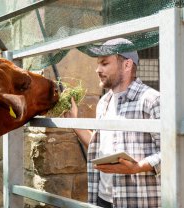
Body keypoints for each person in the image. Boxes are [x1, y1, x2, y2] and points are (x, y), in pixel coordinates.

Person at [65, 38, 161, 207]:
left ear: (127, 65)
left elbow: (171, 152)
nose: (97, 69)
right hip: (103, 199)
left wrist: (137, 167)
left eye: (104, 63)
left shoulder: (151, 100)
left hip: (135, 201)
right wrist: (74, 122)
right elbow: (99, 148)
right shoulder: (104, 102)